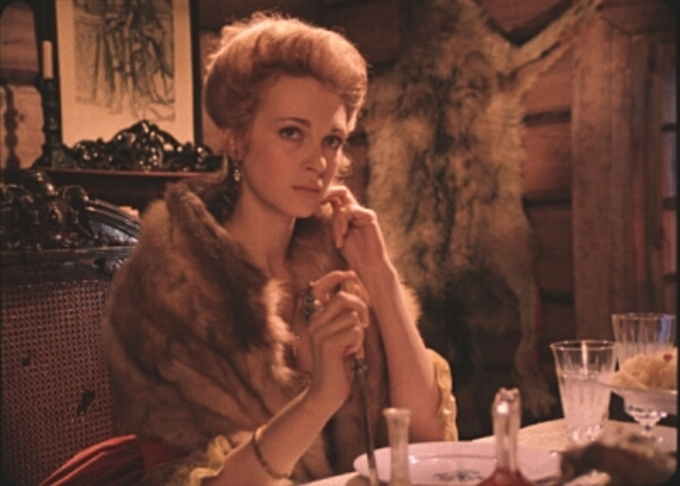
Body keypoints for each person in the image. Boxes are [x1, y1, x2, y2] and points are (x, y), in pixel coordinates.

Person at [101, 12, 458, 485]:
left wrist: (380, 275)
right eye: (292, 132)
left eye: (332, 140)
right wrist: (320, 397)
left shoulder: (338, 259)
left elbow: (426, 440)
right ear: (236, 140)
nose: (318, 161)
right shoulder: (169, 287)